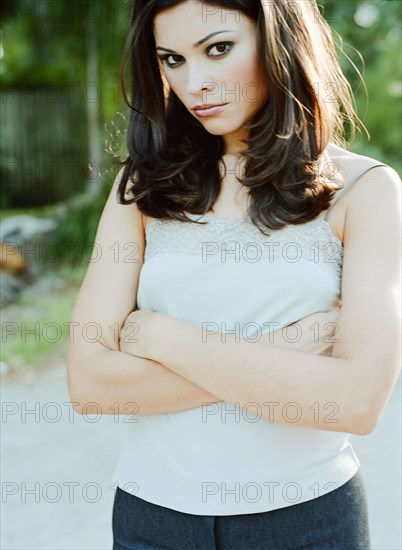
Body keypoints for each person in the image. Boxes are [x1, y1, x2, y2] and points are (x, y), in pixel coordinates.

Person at [67, 1, 401, 548]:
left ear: (279, 42)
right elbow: (91, 385)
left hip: (307, 521)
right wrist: (285, 351)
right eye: (171, 59)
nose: (194, 82)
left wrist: (161, 337)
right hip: (152, 522)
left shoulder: (364, 191)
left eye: (218, 49)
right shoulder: (143, 187)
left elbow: (356, 402)